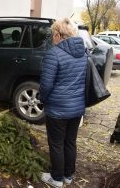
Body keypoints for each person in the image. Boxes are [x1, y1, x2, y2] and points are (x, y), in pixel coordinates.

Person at [38, 18, 87, 188]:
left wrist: (41, 99)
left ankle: (57, 178)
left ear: (59, 35)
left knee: (56, 144)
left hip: (58, 109)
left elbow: (46, 84)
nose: (53, 38)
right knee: (70, 142)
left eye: (53, 34)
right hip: (77, 108)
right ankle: (68, 176)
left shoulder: (54, 54)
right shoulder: (83, 52)